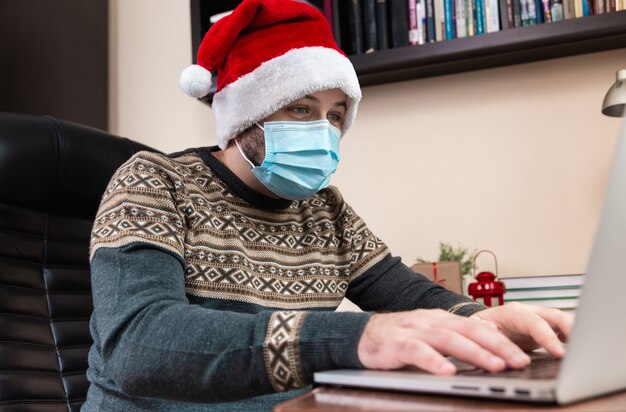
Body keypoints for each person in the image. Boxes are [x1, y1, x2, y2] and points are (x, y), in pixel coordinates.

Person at [83, 0, 573, 410]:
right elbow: (139, 344)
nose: (323, 130)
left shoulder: (326, 210)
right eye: (301, 108)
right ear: (245, 112)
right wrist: (357, 337)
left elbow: (410, 296)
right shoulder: (153, 181)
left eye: (336, 114)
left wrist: (478, 321)